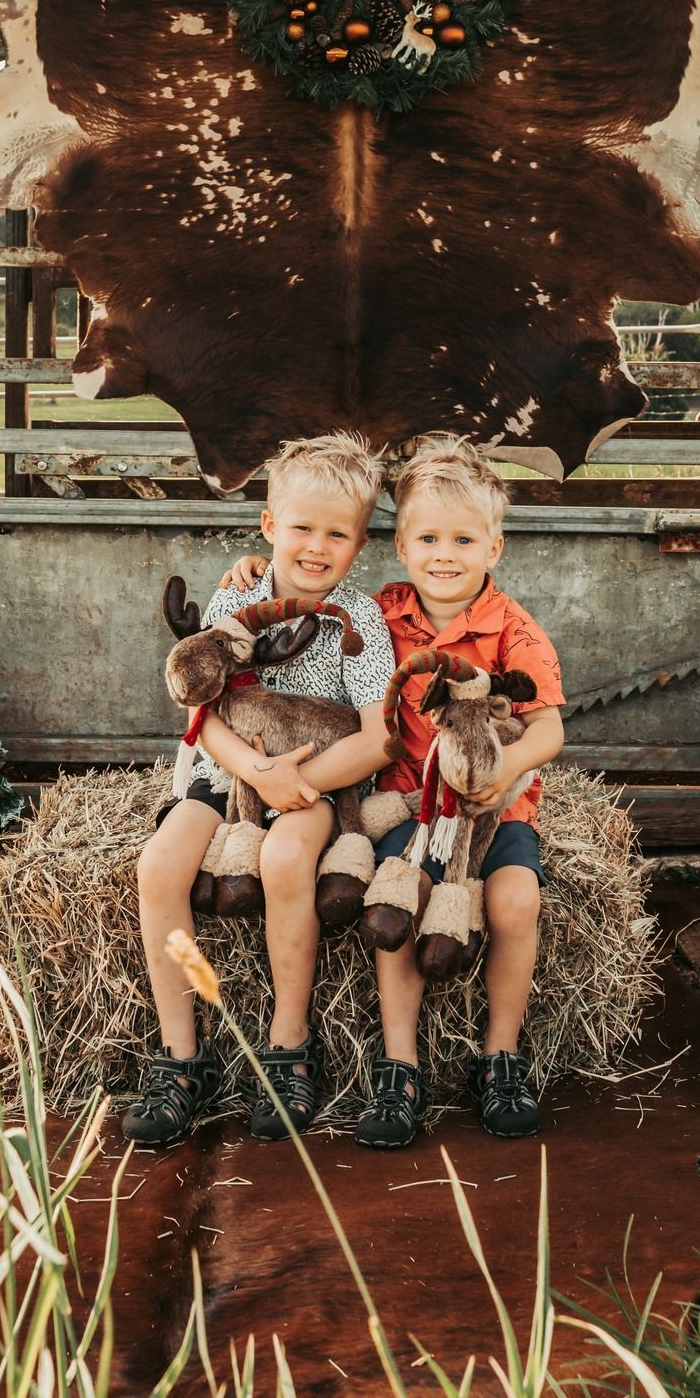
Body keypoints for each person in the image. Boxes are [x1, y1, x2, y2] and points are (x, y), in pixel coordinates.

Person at [222, 434, 565, 1149]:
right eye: (428, 539)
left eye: (464, 540)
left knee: (515, 901)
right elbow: (305, 594)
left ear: (493, 548)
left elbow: (549, 730)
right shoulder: (384, 611)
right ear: (402, 548)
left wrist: (506, 769)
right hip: (403, 806)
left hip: (488, 809)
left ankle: (499, 1058)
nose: (446, 555)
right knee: (391, 901)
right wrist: (253, 572)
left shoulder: (512, 630)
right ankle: (398, 1064)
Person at [123, 431, 394, 1148]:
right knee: (158, 868)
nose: (316, 545)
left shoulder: (359, 620)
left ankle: (288, 1046)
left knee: (282, 861)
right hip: (229, 772)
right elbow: (200, 711)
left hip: (316, 784)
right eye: (301, 527)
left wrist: (293, 783)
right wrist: (252, 770)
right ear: (269, 525)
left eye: (336, 533)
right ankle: (182, 1060)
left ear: (359, 543)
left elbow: (377, 738)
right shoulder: (235, 594)